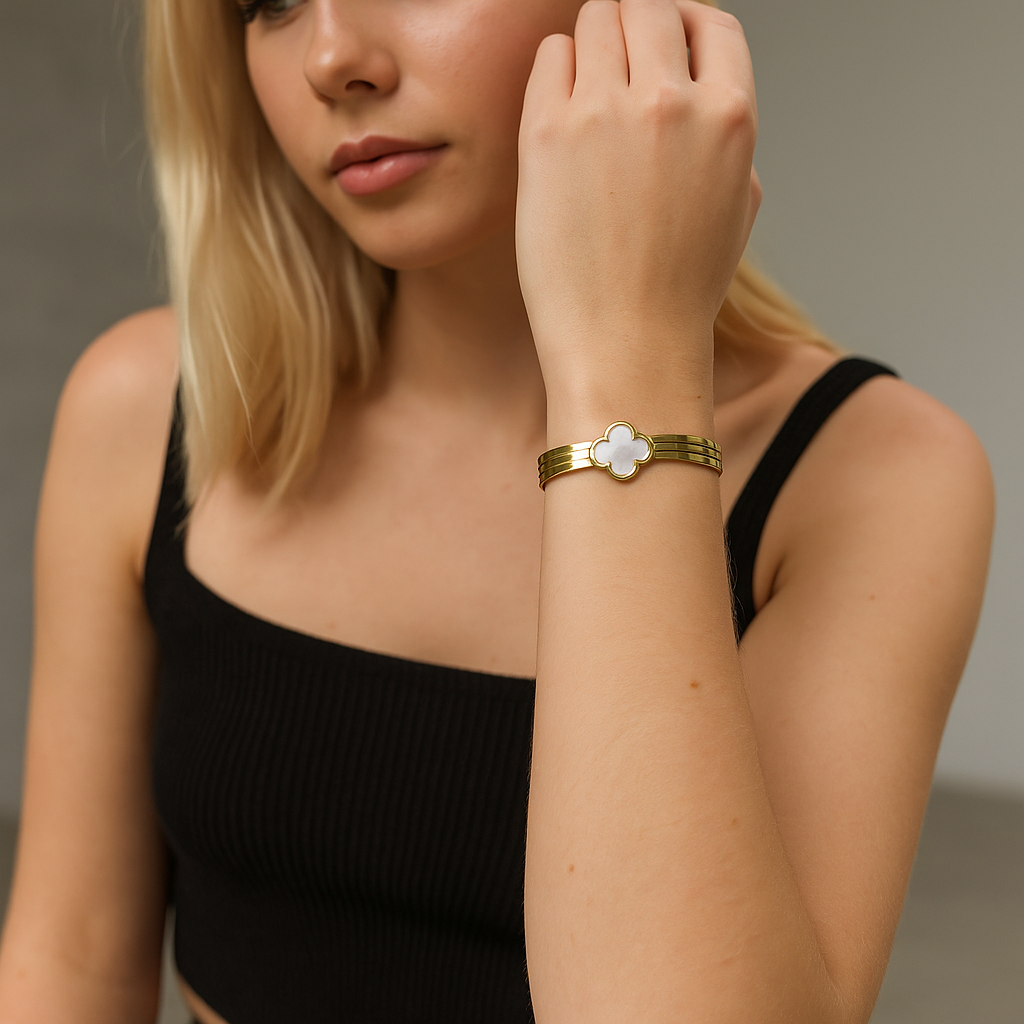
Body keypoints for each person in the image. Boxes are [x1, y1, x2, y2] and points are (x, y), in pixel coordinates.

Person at [0, 0, 995, 1021]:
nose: (334, 56)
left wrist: (629, 363)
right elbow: (69, 965)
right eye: (269, 3)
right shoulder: (151, 406)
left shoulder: (868, 478)